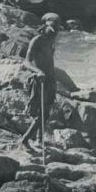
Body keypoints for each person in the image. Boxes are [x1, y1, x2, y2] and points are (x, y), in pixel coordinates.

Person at [20, 12, 61, 149]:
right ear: (45, 27)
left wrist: (53, 79)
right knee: (40, 114)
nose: (55, 32)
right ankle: (25, 140)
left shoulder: (51, 42)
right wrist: (38, 72)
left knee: (46, 113)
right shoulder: (37, 40)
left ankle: (39, 139)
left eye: (57, 28)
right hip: (39, 81)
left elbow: (50, 62)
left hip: (49, 81)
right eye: (52, 28)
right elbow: (26, 62)